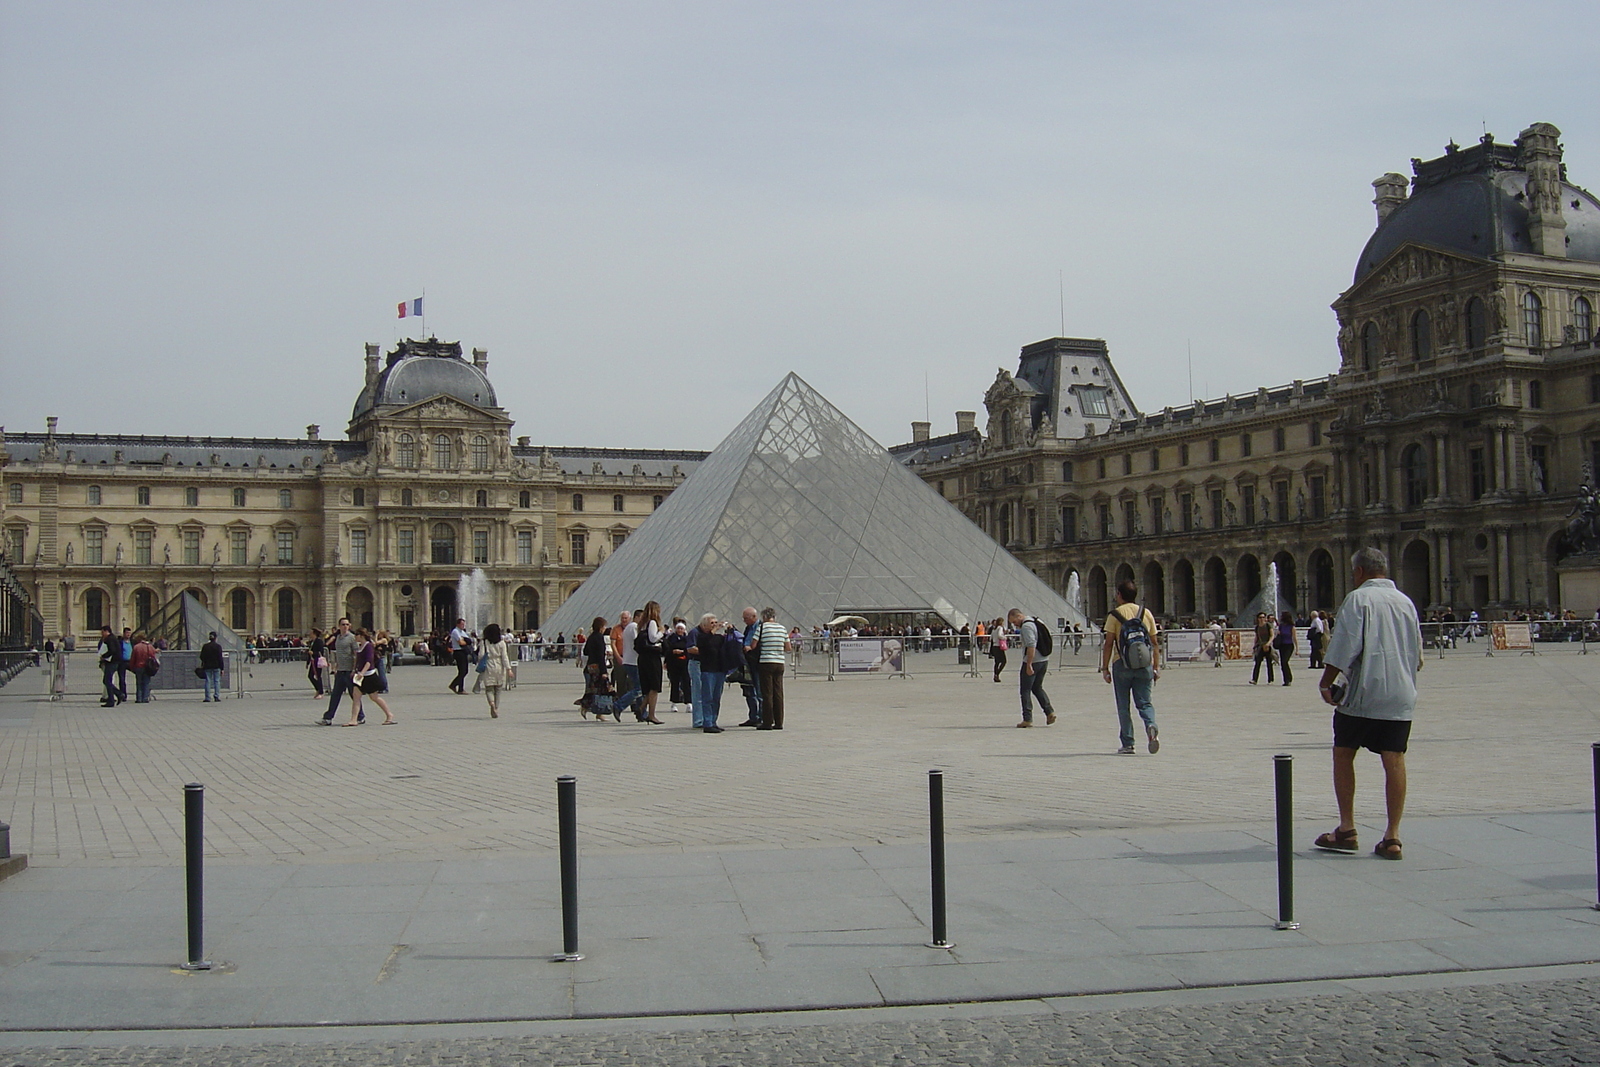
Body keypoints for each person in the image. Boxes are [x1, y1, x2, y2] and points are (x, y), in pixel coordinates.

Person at [1314, 547, 1423, 862]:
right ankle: (1392, 837)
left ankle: (1347, 828)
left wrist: (1326, 682)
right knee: (1395, 760)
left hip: (1363, 693)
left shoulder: (1358, 599)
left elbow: (1344, 645)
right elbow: (1417, 655)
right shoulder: (1406, 602)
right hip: (1400, 695)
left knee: (1344, 753)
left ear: (1359, 572)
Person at [1100, 579, 1161, 755]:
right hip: (1144, 664)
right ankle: (1150, 725)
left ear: (1119, 595)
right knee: (1144, 702)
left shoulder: (1114, 615)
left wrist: (1105, 668)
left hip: (1122, 664)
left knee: (1123, 705)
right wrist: (1156, 667)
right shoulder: (1145, 613)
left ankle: (1128, 743)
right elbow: (1155, 643)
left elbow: (1109, 643)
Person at [1008, 608, 1056, 728]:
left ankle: (1027, 719)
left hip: (1033, 661)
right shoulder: (1037, 620)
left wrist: (1029, 664)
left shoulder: (1026, 627)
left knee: (1025, 690)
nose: (1015, 625)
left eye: (1014, 622)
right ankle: (1049, 712)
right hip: (1044, 660)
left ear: (1019, 616)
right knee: (1037, 687)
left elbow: (1031, 645)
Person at [318, 618, 360, 724]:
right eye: (343, 624)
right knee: (335, 694)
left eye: (347, 624)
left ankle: (360, 716)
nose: (345, 626)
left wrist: (354, 669)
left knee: (354, 695)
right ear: (339, 626)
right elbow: (338, 654)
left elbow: (356, 654)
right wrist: (336, 667)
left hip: (349, 670)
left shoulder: (352, 638)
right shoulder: (338, 638)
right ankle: (328, 718)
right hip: (341, 670)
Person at [690, 614, 727, 733]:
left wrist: (731, 629)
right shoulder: (701, 637)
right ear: (704, 625)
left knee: (716, 698)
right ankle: (707, 723)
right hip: (707, 671)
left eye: (716, 622)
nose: (715, 625)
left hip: (719, 670)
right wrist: (714, 630)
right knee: (707, 698)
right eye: (712, 623)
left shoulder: (719, 638)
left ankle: (713, 721)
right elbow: (704, 645)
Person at [752, 607, 789, 730]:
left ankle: (767, 722)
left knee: (767, 693)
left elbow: (753, 645)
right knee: (778, 692)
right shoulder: (782, 628)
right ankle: (779, 722)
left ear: (764, 617)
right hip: (779, 663)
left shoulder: (762, 628)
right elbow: (788, 648)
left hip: (766, 662)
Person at [581, 617, 619, 721]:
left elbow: (585, 652)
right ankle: (598, 711)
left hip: (590, 667)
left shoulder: (591, 637)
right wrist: (604, 672)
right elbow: (601, 657)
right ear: (600, 627)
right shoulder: (599, 638)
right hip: (598, 668)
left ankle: (591, 710)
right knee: (603, 690)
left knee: (593, 690)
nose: (605, 628)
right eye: (604, 626)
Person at [634, 601, 666, 724]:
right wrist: (662, 632)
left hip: (643, 657)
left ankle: (641, 708)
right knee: (654, 687)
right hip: (652, 658)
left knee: (648, 687)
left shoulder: (641, 624)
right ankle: (651, 715)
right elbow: (653, 638)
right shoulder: (652, 622)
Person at [735, 606, 762, 727]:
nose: (744, 620)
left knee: (760, 691)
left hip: (757, 663)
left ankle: (761, 717)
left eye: (746, 618)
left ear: (754, 617)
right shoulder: (748, 628)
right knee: (748, 690)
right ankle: (753, 716)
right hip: (747, 663)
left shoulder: (762, 627)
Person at [479, 622, 511, 719]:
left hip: (488, 665)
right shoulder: (502, 643)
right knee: (498, 689)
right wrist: (509, 669)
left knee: (489, 689)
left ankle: (491, 703)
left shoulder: (484, 642)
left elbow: (480, 655)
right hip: (499, 666)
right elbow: (505, 657)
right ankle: (496, 708)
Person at [97, 625, 124, 706]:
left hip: (112, 662)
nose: (102, 634)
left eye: (102, 632)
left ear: (106, 631)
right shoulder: (112, 638)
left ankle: (113, 698)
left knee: (107, 681)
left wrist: (104, 656)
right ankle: (116, 695)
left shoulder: (109, 639)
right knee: (107, 680)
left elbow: (112, 650)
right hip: (114, 662)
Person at [129, 631, 157, 703]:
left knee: (139, 683)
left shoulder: (136, 647)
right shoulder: (150, 647)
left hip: (138, 666)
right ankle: (145, 698)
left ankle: (139, 698)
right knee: (146, 683)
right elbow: (153, 657)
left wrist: (131, 667)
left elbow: (133, 658)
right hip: (147, 667)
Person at [447, 617, 472, 694]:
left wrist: (465, 641)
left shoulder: (462, 632)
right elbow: (461, 642)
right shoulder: (455, 631)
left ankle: (460, 688)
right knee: (462, 671)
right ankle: (454, 685)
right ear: (457, 624)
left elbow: (469, 641)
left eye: (464, 624)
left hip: (463, 652)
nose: (463, 626)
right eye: (462, 624)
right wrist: (465, 641)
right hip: (458, 652)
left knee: (464, 671)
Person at [1249, 612, 1275, 685]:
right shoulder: (1257, 627)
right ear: (1258, 619)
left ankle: (1271, 680)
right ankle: (1254, 679)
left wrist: (1268, 643)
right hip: (1260, 646)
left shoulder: (1268, 625)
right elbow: (1257, 637)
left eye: (1263, 617)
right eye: (1260, 617)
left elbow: (1272, 635)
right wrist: (1254, 646)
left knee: (1269, 663)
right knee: (1257, 663)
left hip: (1267, 646)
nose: (1262, 619)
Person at [1273, 610, 1297, 687]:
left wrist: (1297, 648)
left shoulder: (1292, 627)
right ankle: (1286, 679)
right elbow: (1278, 634)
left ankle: (1289, 677)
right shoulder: (1281, 626)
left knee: (1285, 661)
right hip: (1282, 645)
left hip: (1289, 645)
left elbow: (1294, 637)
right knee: (1283, 663)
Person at [200, 631, 225, 703]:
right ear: (216, 638)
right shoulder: (218, 646)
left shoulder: (205, 646)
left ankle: (207, 697)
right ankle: (216, 696)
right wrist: (222, 668)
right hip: (216, 666)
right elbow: (220, 658)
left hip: (207, 666)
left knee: (208, 681)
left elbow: (201, 656)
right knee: (216, 681)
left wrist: (205, 661)